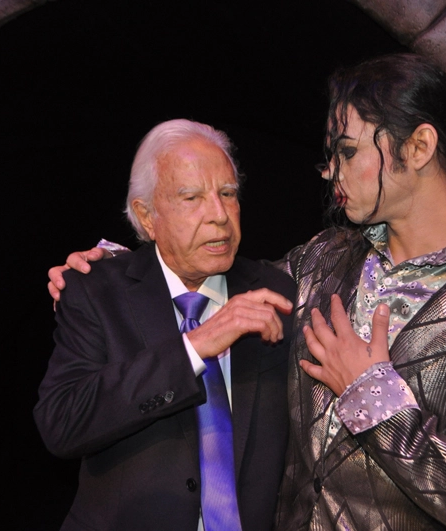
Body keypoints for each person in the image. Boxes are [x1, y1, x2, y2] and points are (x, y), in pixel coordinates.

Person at [48, 54, 446, 530]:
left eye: (348, 151)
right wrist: (119, 271)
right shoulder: (324, 260)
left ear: (420, 146)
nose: (330, 169)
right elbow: (212, 283)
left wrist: (378, 403)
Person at [34, 119, 297, 531]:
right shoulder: (96, 290)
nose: (219, 215)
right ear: (147, 216)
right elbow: (62, 422)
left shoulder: (275, 292)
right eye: (191, 197)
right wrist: (194, 347)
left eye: (228, 194)